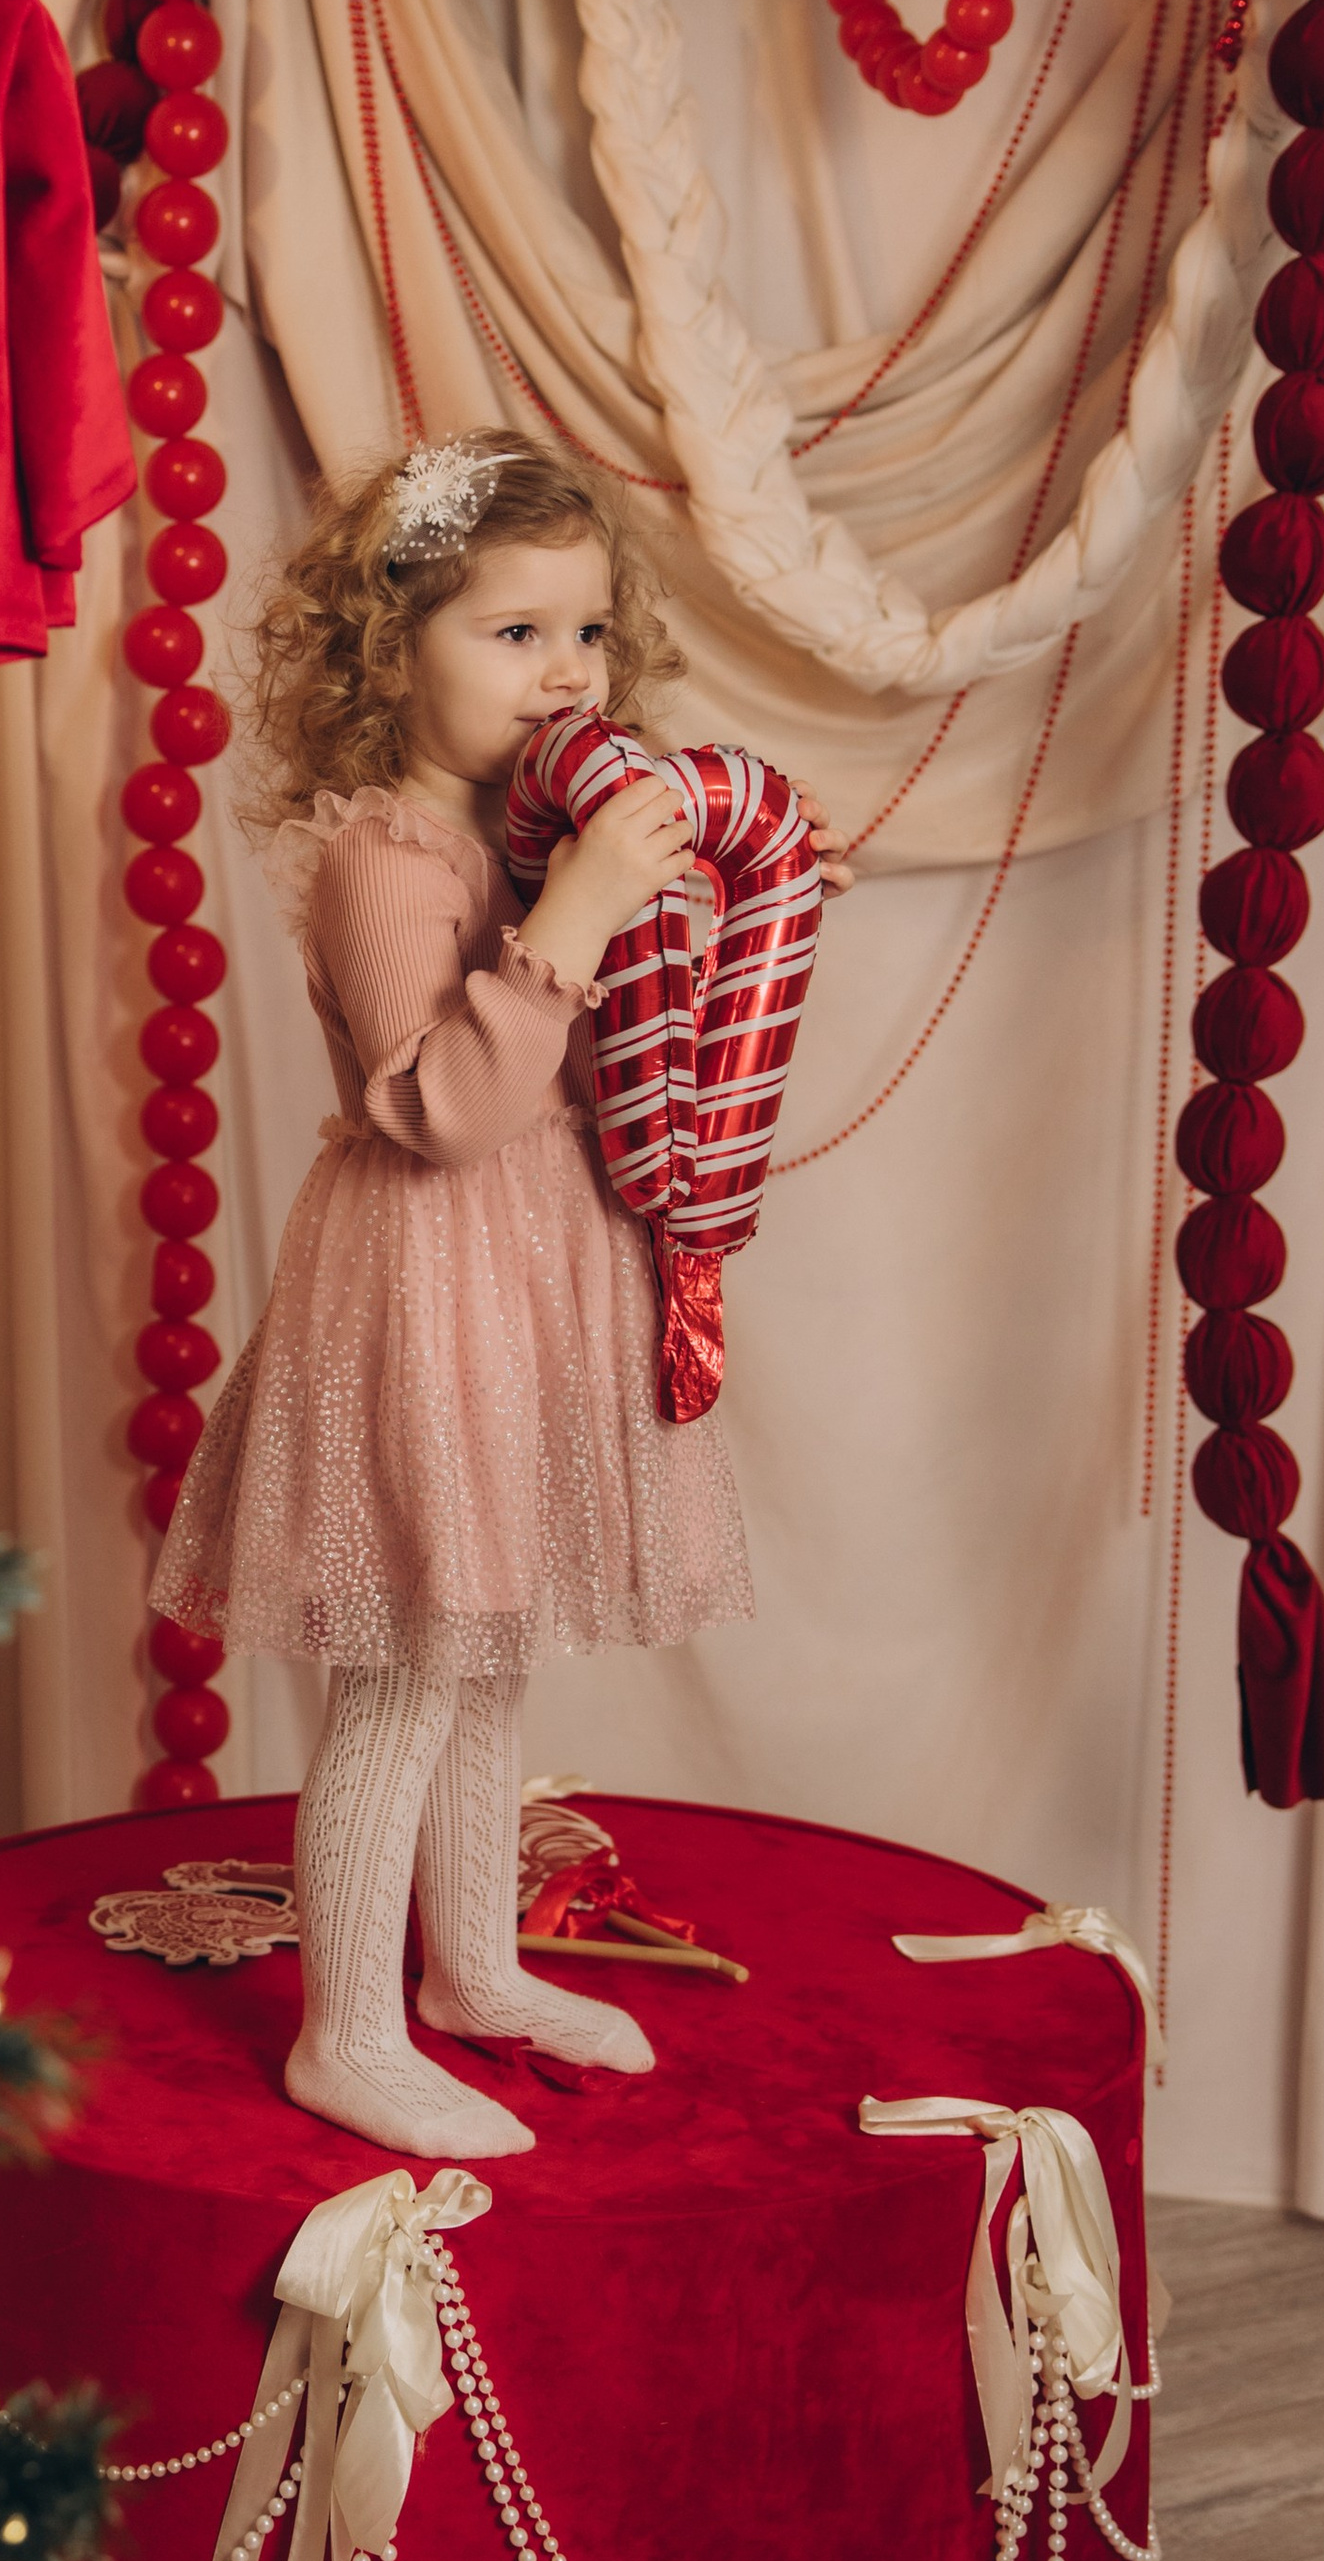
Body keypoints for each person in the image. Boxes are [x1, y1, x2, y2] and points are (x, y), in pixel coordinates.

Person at [152, 430, 851, 2159]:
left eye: (590, 635)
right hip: (422, 1273)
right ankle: (346, 2027)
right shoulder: (389, 854)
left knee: (491, 1638)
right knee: (405, 1655)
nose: (566, 676)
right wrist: (584, 912)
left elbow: (638, 1061)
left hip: (544, 1269)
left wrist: (718, 906)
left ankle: (471, 1969)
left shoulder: (547, 831)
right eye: (514, 634)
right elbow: (446, 1112)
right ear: (393, 649)